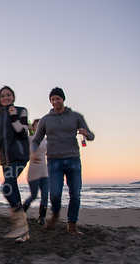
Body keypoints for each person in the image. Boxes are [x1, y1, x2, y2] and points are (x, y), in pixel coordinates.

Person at [31, 87, 95, 235]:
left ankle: (72, 225)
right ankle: (54, 214)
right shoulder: (45, 120)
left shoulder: (76, 116)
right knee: (55, 193)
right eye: (52, 99)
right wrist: (33, 152)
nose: (55, 101)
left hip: (73, 159)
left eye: (57, 98)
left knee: (75, 194)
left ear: (63, 99)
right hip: (54, 161)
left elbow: (91, 136)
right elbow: (36, 140)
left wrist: (87, 134)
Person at [0, 86, 30, 241]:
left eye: (8, 95)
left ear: (13, 97)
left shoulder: (21, 111)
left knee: (6, 187)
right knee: (14, 191)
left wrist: (14, 118)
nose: (5, 98)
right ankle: (24, 233)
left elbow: (23, 132)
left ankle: (19, 225)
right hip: (5, 159)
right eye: (2, 96)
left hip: (19, 156)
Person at [23, 119, 49, 226]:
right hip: (34, 171)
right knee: (33, 195)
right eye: (36, 126)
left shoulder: (47, 140)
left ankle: (41, 217)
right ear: (33, 128)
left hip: (45, 171)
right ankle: (21, 213)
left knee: (45, 195)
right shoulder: (29, 139)